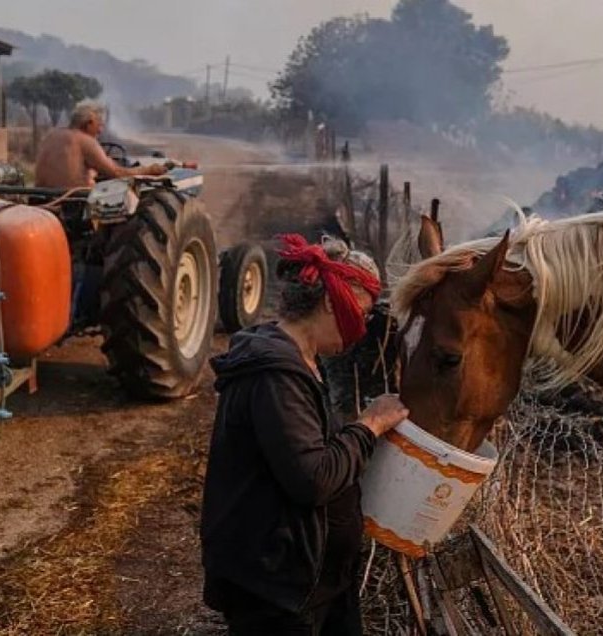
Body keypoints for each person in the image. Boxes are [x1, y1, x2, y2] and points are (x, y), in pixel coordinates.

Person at [200, 234, 409, 636]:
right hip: (276, 590)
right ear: (331, 301)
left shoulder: (300, 361)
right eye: (361, 314)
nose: (362, 329)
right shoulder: (276, 375)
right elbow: (313, 478)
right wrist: (369, 426)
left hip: (311, 579)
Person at [34, 101, 167, 188]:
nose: (101, 130)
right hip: (72, 204)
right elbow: (117, 172)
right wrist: (150, 170)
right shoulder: (85, 140)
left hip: (42, 198)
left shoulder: (51, 136)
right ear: (90, 122)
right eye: (100, 125)